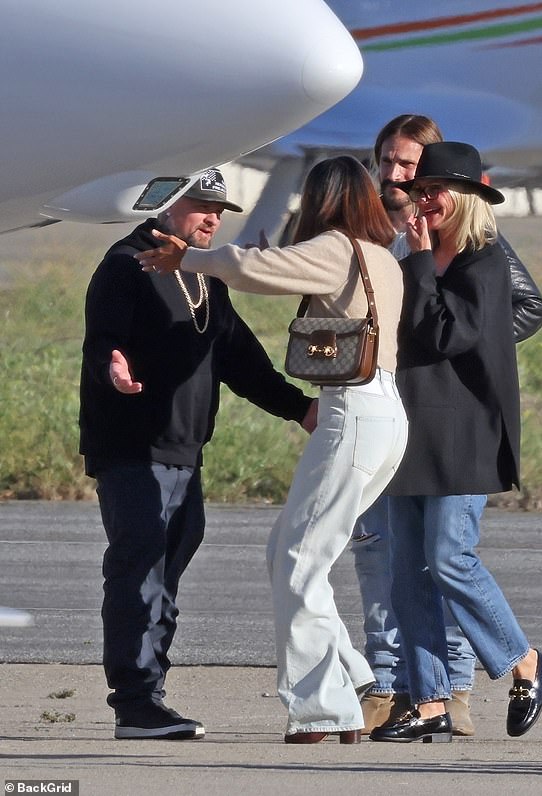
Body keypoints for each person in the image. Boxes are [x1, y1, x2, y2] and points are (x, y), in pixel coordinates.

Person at [137, 155, 409, 744]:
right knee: (290, 551)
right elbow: (280, 270)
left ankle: (320, 708)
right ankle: (354, 682)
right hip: (384, 415)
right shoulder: (382, 258)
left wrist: (192, 258)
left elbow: (250, 269)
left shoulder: (340, 248)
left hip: (352, 414)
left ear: (325, 199)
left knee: (298, 561)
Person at [79, 168, 317, 741]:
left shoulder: (204, 274)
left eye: (219, 210)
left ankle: (148, 693)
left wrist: (299, 408)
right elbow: (102, 339)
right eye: (200, 207)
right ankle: (136, 702)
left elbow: (238, 357)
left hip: (185, 452)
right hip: (133, 447)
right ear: (166, 205)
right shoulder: (125, 264)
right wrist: (113, 365)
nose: (212, 219)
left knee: (165, 574)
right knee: (140, 571)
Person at [353, 114, 542, 737]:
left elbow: (444, 333)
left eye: (436, 190)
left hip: (463, 434)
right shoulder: (420, 255)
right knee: (407, 567)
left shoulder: (481, 263)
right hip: (410, 429)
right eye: (420, 188)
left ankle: (524, 660)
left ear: (464, 197)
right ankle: (429, 699)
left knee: (449, 558)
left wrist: (414, 261)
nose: (423, 198)